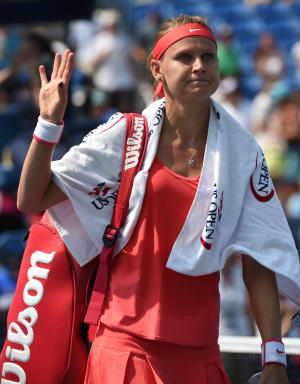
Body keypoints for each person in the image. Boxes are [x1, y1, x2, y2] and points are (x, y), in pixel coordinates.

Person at [15, 15, 300, 384]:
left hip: (201, 355)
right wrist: (48, 124)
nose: (199, 66)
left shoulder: (243, 151)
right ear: (157, 68)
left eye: (208, 56)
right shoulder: (126, 134)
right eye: (185, 57)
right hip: (124, 350)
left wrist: (274, 357)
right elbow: (30, 197)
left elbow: (258, 256)